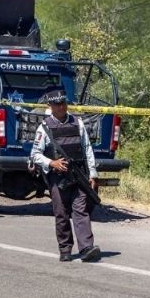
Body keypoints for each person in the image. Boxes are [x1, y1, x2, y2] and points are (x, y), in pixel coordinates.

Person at [30, 90, 101, 263]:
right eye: (57, 104)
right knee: (61, 213)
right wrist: (51, 163)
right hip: (58, 177)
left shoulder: (78, 123)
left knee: (81, 210)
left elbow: (87, 149)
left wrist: (92, 173)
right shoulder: (44, 127)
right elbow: (35, 154)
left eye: (63, 103)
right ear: (50, 106)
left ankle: (86, 248)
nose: (61, 107)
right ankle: (65, 249)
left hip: (78, 175)